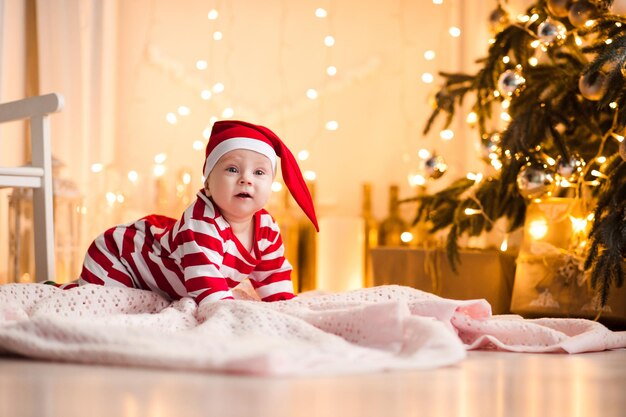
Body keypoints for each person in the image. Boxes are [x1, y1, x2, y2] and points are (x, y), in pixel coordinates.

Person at [68, 120, 318, 304]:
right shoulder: (202, 222)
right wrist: (233, 317)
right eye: (232, 169)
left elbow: (274, 276)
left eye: (259, 172)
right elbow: (211, 294)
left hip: (158, 277)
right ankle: (70, 290)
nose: (246, 179)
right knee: (109, 304)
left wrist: (286, 309)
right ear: (208, 184)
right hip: (120, 257)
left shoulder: (266, 229)